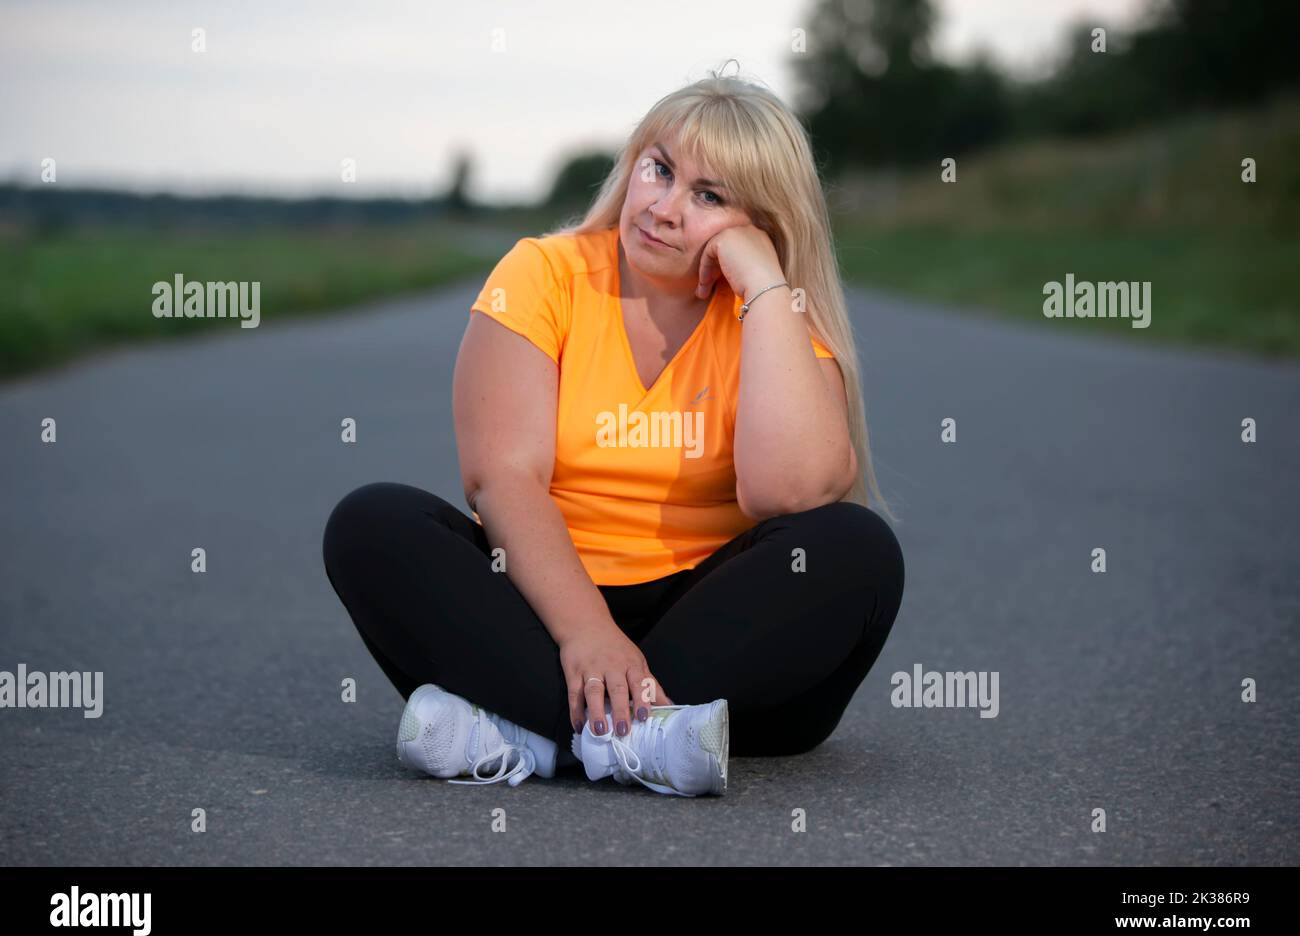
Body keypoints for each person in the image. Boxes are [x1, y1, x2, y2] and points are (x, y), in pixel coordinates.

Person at [322, 65, 905, 797]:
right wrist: (587, 633)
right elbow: (502, 477)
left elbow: (786, 491)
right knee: (372, 522)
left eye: (709, 196)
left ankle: (520, 731)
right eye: (658, 170)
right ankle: (646, 739)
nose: (663, 207)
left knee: (857, 547)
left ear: (761, 225)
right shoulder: (544, 273)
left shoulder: (774, 316)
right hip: (537, 608)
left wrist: (762, 286)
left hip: (715, 628)